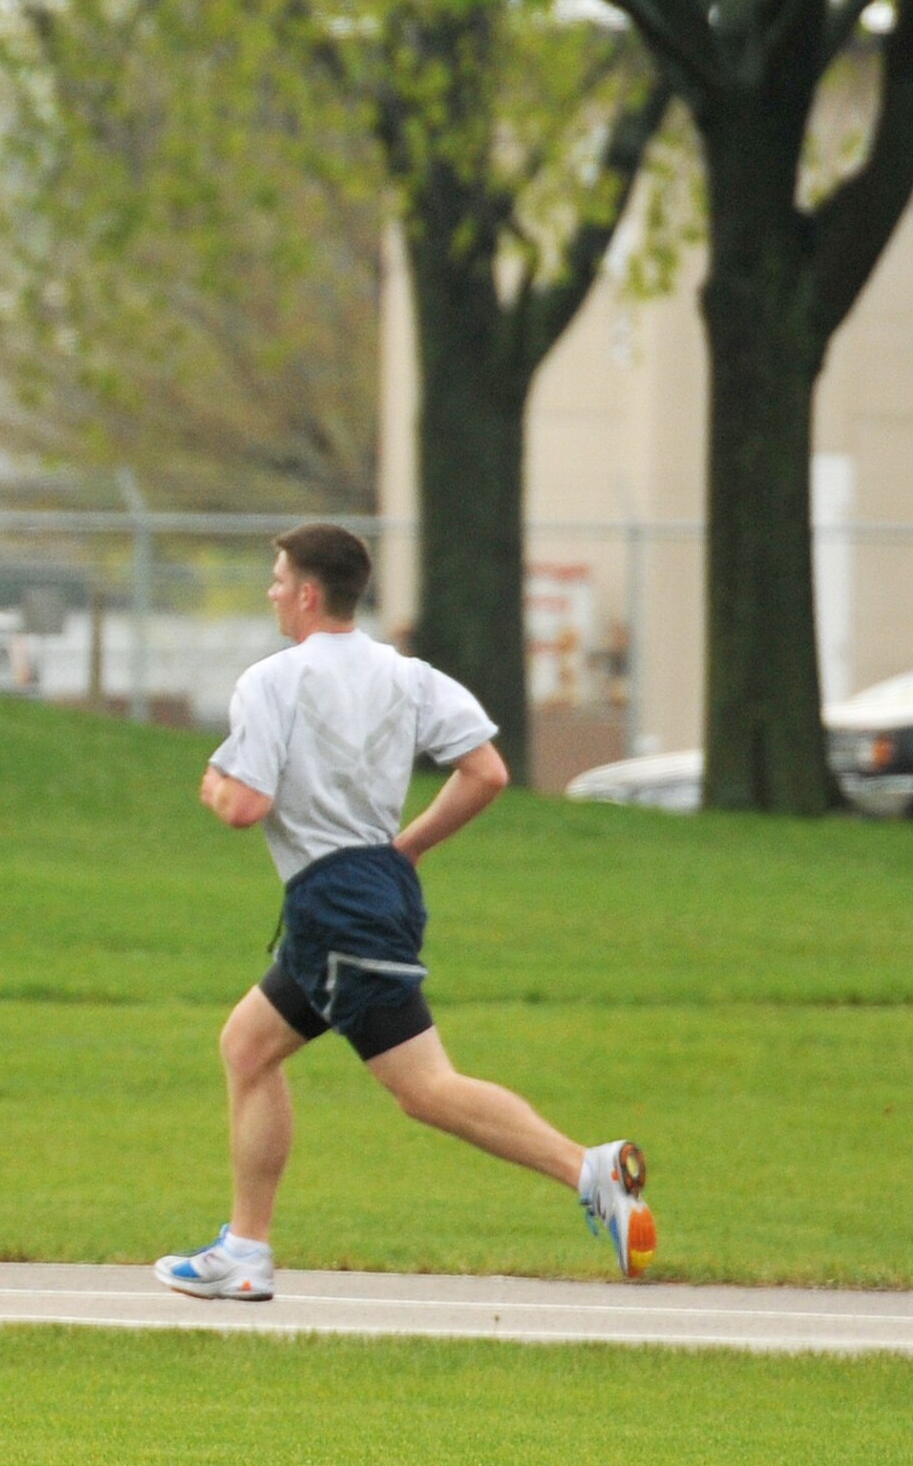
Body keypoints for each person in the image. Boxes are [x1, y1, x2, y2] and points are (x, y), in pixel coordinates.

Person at [155, 522, 654, 1302]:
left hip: (336, 906)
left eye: (279, 579)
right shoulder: (409, 675)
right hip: (376, 890)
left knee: (423, 1088)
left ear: (310, 593)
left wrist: (213, 784)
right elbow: (486, 772)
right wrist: (409, 846)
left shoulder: (272, 681)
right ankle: (244, 1248)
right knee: (248, 1047)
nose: (272, 591)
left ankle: (588, 1171)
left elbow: (245, 806)